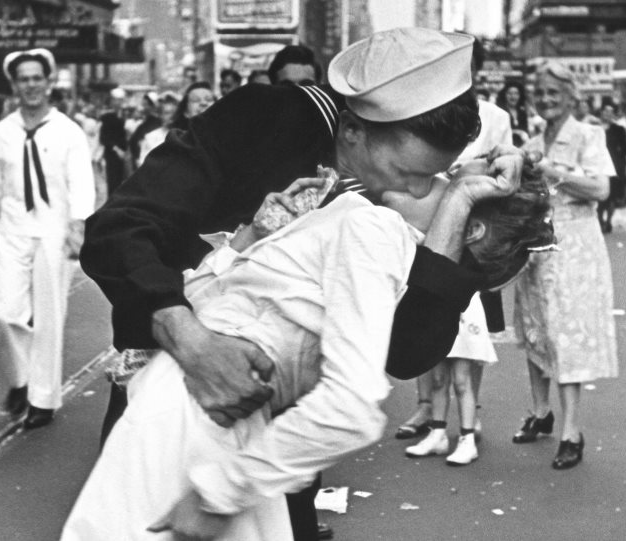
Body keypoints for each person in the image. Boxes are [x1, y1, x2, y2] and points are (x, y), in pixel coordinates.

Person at [79, 27, 526, 541]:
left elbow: (406, 352)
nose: (419, 189)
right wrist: (191, 340)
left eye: (437, 176)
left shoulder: (395, 205)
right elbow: (119, 230)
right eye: (409, 171)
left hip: (272, 450)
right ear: (353, 129)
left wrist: (467, 203)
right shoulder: (268, 118)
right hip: (181, 403)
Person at [62, 163, 553, 541]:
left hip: (203, 430)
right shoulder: (360, 218)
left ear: (466, 224)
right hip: (212, 430)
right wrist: (253, 237)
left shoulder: (380, 234)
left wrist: (217, 493)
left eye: (447, 180)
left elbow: (357, 398)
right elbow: (203, 303)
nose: (431, 173)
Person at [394, 37, 512, 446]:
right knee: (421, 312)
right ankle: (427, 406)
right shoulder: (419, 112)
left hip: (473, 233)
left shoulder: (495, 117)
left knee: (470, 334)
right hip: (425, 224)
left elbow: (502, 174)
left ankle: (469, 414)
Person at [0, 48, 95, 430]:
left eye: (37, 78)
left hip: (54, 234)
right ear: (14, 85)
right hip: (11, 231)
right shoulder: (1, 133)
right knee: (4, 313)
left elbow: (81, 185)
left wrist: (77, 229)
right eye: (23, 79)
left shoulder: (68, 131)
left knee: (50, 319)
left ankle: (43, 399)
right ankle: (21, 380)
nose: (31, 85)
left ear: (48, 82)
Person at [511, 62, 618, 470]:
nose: (546, 99)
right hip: (536, 245)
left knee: (567, 333)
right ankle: (541, 412)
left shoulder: (589, 135)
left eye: (554, 92)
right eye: (540, 92)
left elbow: (600, 188)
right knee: (536, 328)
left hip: (575, 246)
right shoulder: (532, 141)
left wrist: (549, 171)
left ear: (572, 96)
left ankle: (572, 431)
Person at [597, 103, 626, 232]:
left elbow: (625, 149)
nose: (608, 114)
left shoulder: (619, 129)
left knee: (612, 195)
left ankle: (609, 221)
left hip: (615, 165)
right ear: (601, 112)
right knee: (600, 195)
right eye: (606, 111)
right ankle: (600, 219)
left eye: (611, 112)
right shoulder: (594, 128)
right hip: (597, 164)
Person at [99, 87, 128, 196]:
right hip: (112, 155)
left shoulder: (125, 115)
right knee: (113, 183)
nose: (118, 103)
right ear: (111, 101)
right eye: (116, 100)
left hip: (124, 155)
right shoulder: (106, 117)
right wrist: (117, 150)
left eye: (120, 100)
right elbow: (104, 138)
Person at [138, 99, 176, 168]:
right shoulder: (150, 137)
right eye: (167, 113)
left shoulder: (183, 136)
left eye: (174, 113)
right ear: (161, 115)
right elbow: (143, 164)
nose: (171, 116)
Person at [128, 92, 161, 166]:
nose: (142, 107)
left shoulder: (155, 123)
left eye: (145, 104)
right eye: (143, 104)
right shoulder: (145, 123)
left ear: (152, 106)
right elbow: (133, 142)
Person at [496, 81, 530, 147]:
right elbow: (498, 132)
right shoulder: (500, 112)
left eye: (516, 93)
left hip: (521, 147)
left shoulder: (522, 112)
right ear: (504, 95)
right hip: (505, 146)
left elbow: (526, 132)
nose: (513, 96)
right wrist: (518, 132)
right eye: (509, 93)